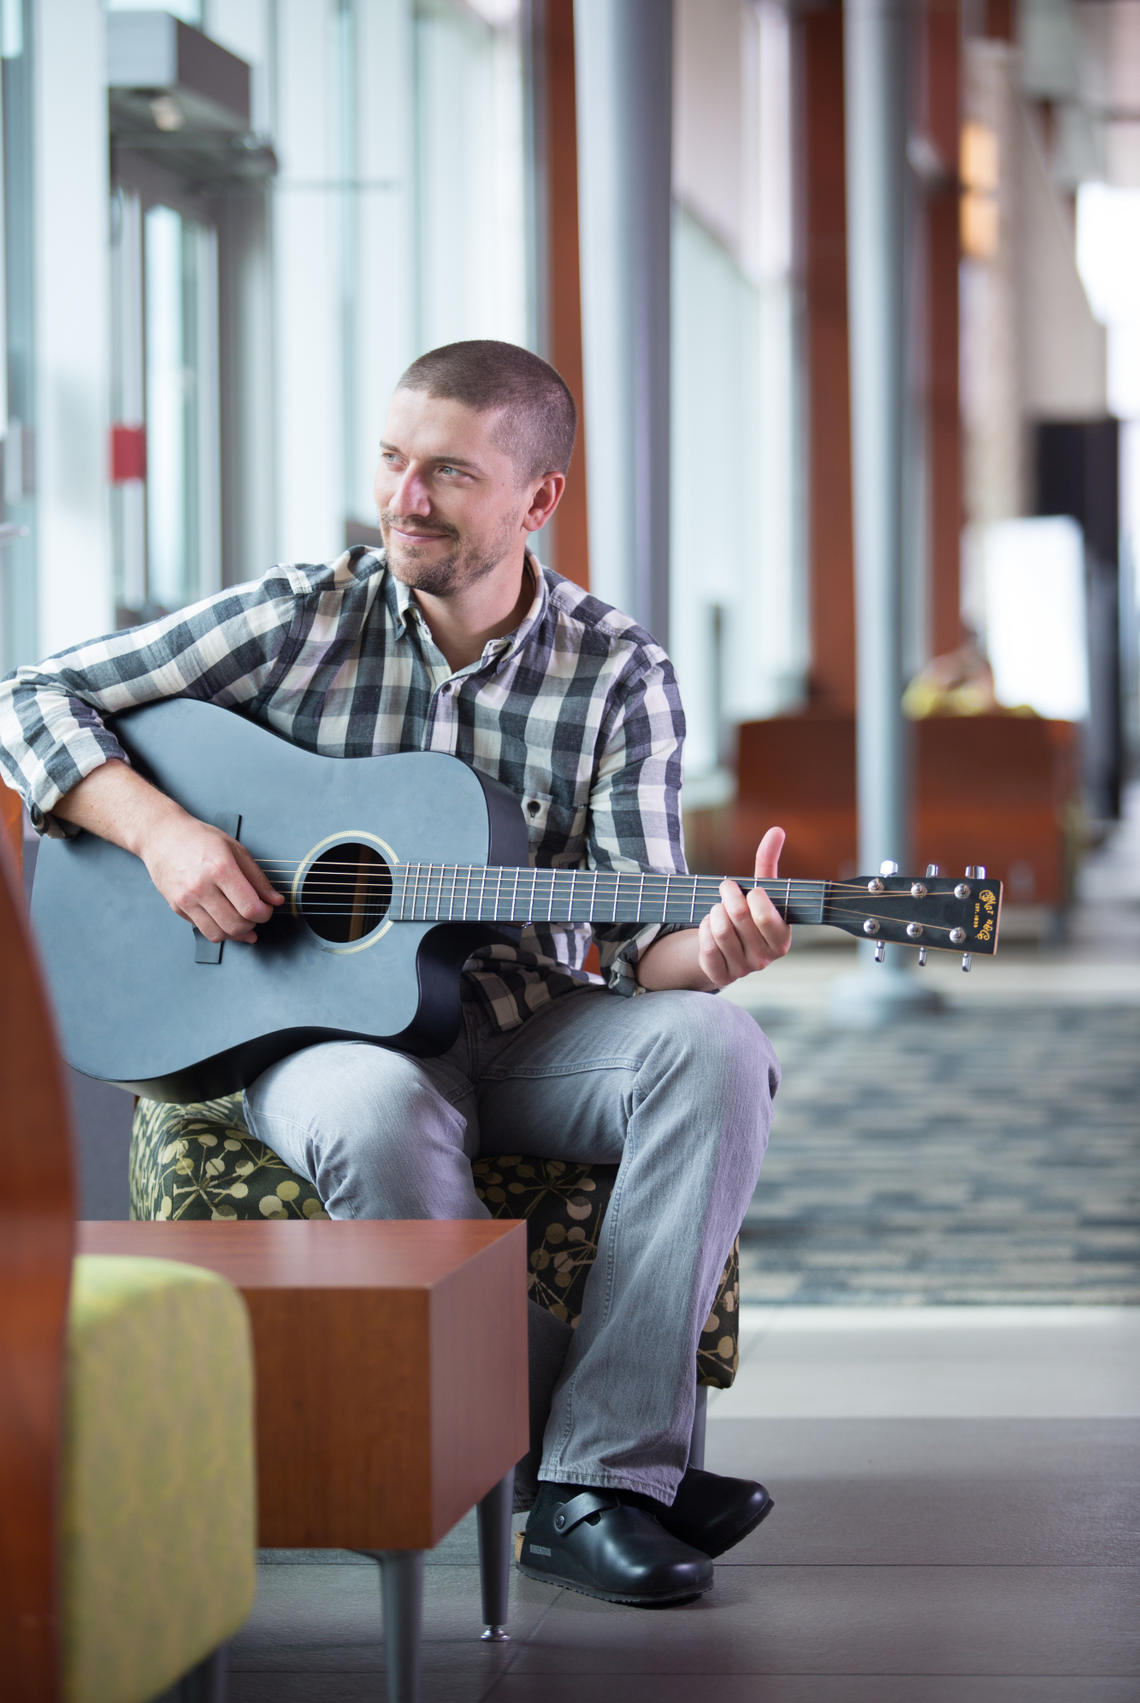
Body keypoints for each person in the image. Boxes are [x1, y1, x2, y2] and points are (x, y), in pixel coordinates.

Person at [0, 340, 790, 1608]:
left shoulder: (618, 673)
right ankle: (594, 1472)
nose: (405, 500)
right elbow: (30, 697)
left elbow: (653, 953)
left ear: (536, 501)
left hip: (534, 1028)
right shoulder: (299, 615)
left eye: (449, 473)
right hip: (309, 1037)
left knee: (718, 1050)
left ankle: (596, 1475)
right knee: (380, 1103)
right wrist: (169, 834)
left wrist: (719, 947)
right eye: (393, 461)